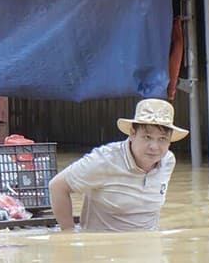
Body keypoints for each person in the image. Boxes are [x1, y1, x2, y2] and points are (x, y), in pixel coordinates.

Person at [48, 98, 188, 233]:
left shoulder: (167, 161)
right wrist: (69, 235)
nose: (154, 147)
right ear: (132, 134)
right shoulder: (104, 160)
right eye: (147, 137)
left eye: (162, 139)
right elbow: (57, 186)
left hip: (149, 242)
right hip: (106, 245)